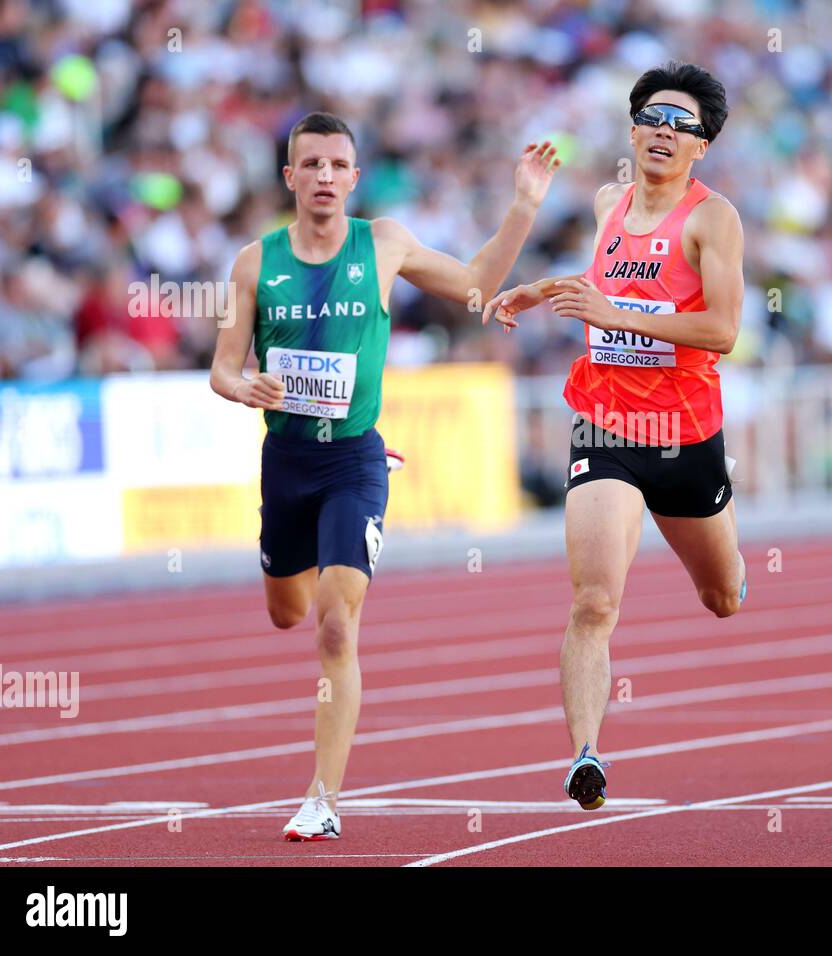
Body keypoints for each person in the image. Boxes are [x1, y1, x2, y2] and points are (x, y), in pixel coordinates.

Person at [210, 111, 559, 840]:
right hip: (287, 464)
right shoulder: (254, 262)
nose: (326, 178)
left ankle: (322, 799)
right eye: (311, 166)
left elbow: (471, 287)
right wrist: (243, 388)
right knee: (286, 612)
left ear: (355, 177)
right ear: (290, 178)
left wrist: (522, 206)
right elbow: (222, 365)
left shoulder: (385, 244)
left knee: (337, 628)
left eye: (339, 165)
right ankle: (295, 559)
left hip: (353, 461)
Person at [482, 62, 745, 810]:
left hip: (685, 433)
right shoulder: (607, 201)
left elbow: (722, 330)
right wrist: (546, 289)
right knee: (594, 603)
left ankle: (727, 554)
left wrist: (616, 316)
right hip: (605, 424)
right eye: (653, 118)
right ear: (631, 130)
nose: (665, 132)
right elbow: (605, 279)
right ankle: (586, 756)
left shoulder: (711, 218)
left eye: (683, 125)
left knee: (722, 597)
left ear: (703, 147)